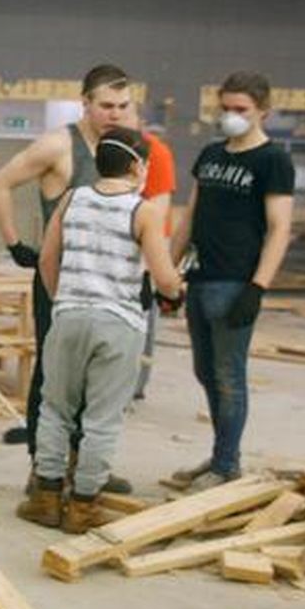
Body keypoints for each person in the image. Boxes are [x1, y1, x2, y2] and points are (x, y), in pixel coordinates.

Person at [18, 127, 184, 533]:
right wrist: (178, 288)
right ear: (135, 165)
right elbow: (163, 279)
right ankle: (84, 506)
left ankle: (46, 496)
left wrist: (64, 302)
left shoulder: (72, 199)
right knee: (101, 419)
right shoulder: (143, 210)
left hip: (69, 317)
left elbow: (46, 260)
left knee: (55, 410)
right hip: (118, 324)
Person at [0, 63, 132, 487]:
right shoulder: (58, 146)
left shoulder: (124, 149)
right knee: (54, 377)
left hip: (107, 284)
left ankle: (85, 467)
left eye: (123, 106)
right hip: (60, 278)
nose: (115, 113)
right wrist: (15, 243)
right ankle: (43, 469)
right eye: (106, 105)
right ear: (85, 102)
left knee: (99, 379)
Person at [168, 71, 295, 491]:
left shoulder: (272, 160)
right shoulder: (210, 154)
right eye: (225, 108)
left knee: (229, 375)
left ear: (263, 112)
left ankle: (226, 464)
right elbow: (190, 215)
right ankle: (222, 455)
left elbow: (279, 228)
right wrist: (166, 273)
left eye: (241, 110)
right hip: (201, 277)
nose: (231, 116)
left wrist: (258, 287)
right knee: (205, 371)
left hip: (235, 283)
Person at [126, 102, 177, 400]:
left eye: (124, 111)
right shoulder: (100, 151)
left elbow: (157, 214)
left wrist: (151, 269)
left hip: (142, 250)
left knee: (141, 325)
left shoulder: (155, 153)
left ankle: (135, 386)